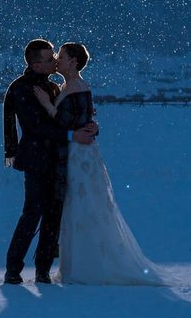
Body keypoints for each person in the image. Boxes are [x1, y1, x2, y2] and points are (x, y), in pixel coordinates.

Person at [32, 42, 168, 285]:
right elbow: (84, 118)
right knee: (80, 204)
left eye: (61, 56)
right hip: (80, 151)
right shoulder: (73, 86)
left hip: (78, 154)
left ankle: (85, 266)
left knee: (81, 204)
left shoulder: (75, 86)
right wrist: (92, 126)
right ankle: (80, 263)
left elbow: (64, 122)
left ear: (73, 62)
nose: (57, 60)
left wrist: (46, 104)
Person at [2, 39, 98, 284]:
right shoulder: (22, 89)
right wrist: (72, 135)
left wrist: (90, 127)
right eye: (49, 58)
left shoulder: (53, 87)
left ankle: (43, 270)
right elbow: (36, 127)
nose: (55, 60)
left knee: (54, 216)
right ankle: (13, 269)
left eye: (55, 55)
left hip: (60, 159)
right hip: (37, 160)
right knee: (32, 213)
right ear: (36, 64)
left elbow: (70, 116)